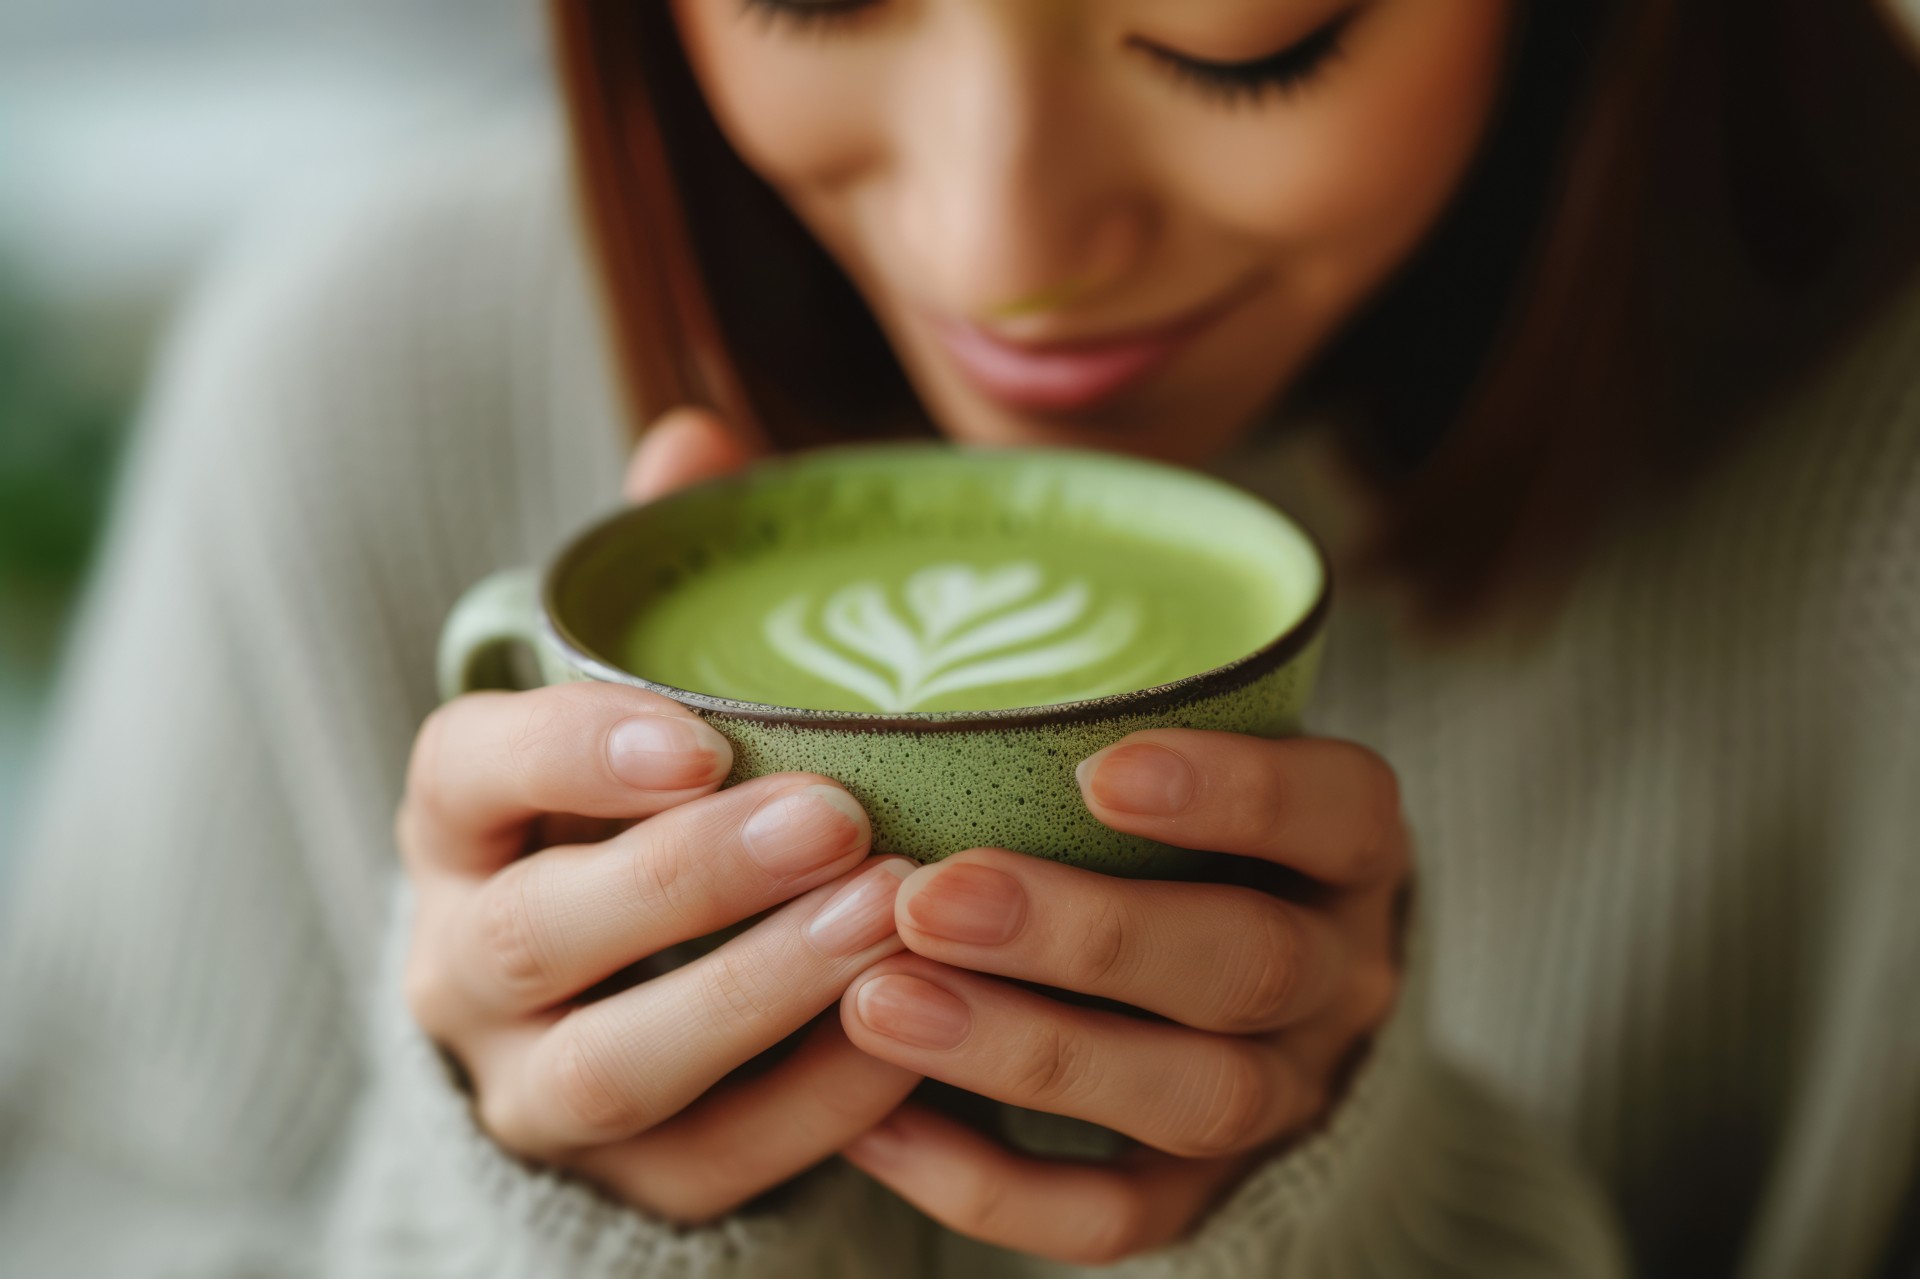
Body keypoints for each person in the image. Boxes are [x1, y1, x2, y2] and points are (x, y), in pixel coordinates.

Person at [3, 0, 1918, 1274]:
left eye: (1237, 39)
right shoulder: (354, 381)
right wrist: (528, 1215)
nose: (1005, 241)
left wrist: (1360, 1223)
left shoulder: (1879, 519)